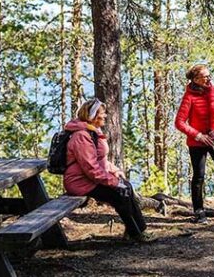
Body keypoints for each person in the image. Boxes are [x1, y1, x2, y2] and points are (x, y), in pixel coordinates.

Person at [63, 98, 155, 242]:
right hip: (80, 182)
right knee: (120, 193)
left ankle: (138, 230)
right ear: (92, 116)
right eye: (102, 113)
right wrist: (114, 182)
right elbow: (91, 168)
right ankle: (136, 233)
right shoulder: (81, 136)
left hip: (91, 178)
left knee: (127, 187)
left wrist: (114, 171)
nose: (105, 116)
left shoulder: (93, 131)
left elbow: (100, 160)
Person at [174, 64, 214, 224]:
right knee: (199, 176)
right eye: (205, 76)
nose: (209, 78)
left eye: (209, 75)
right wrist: (198, 136)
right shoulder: (189, 97)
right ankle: (199, 211)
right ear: (196, 79)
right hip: (197, 143)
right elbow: (179, 122)